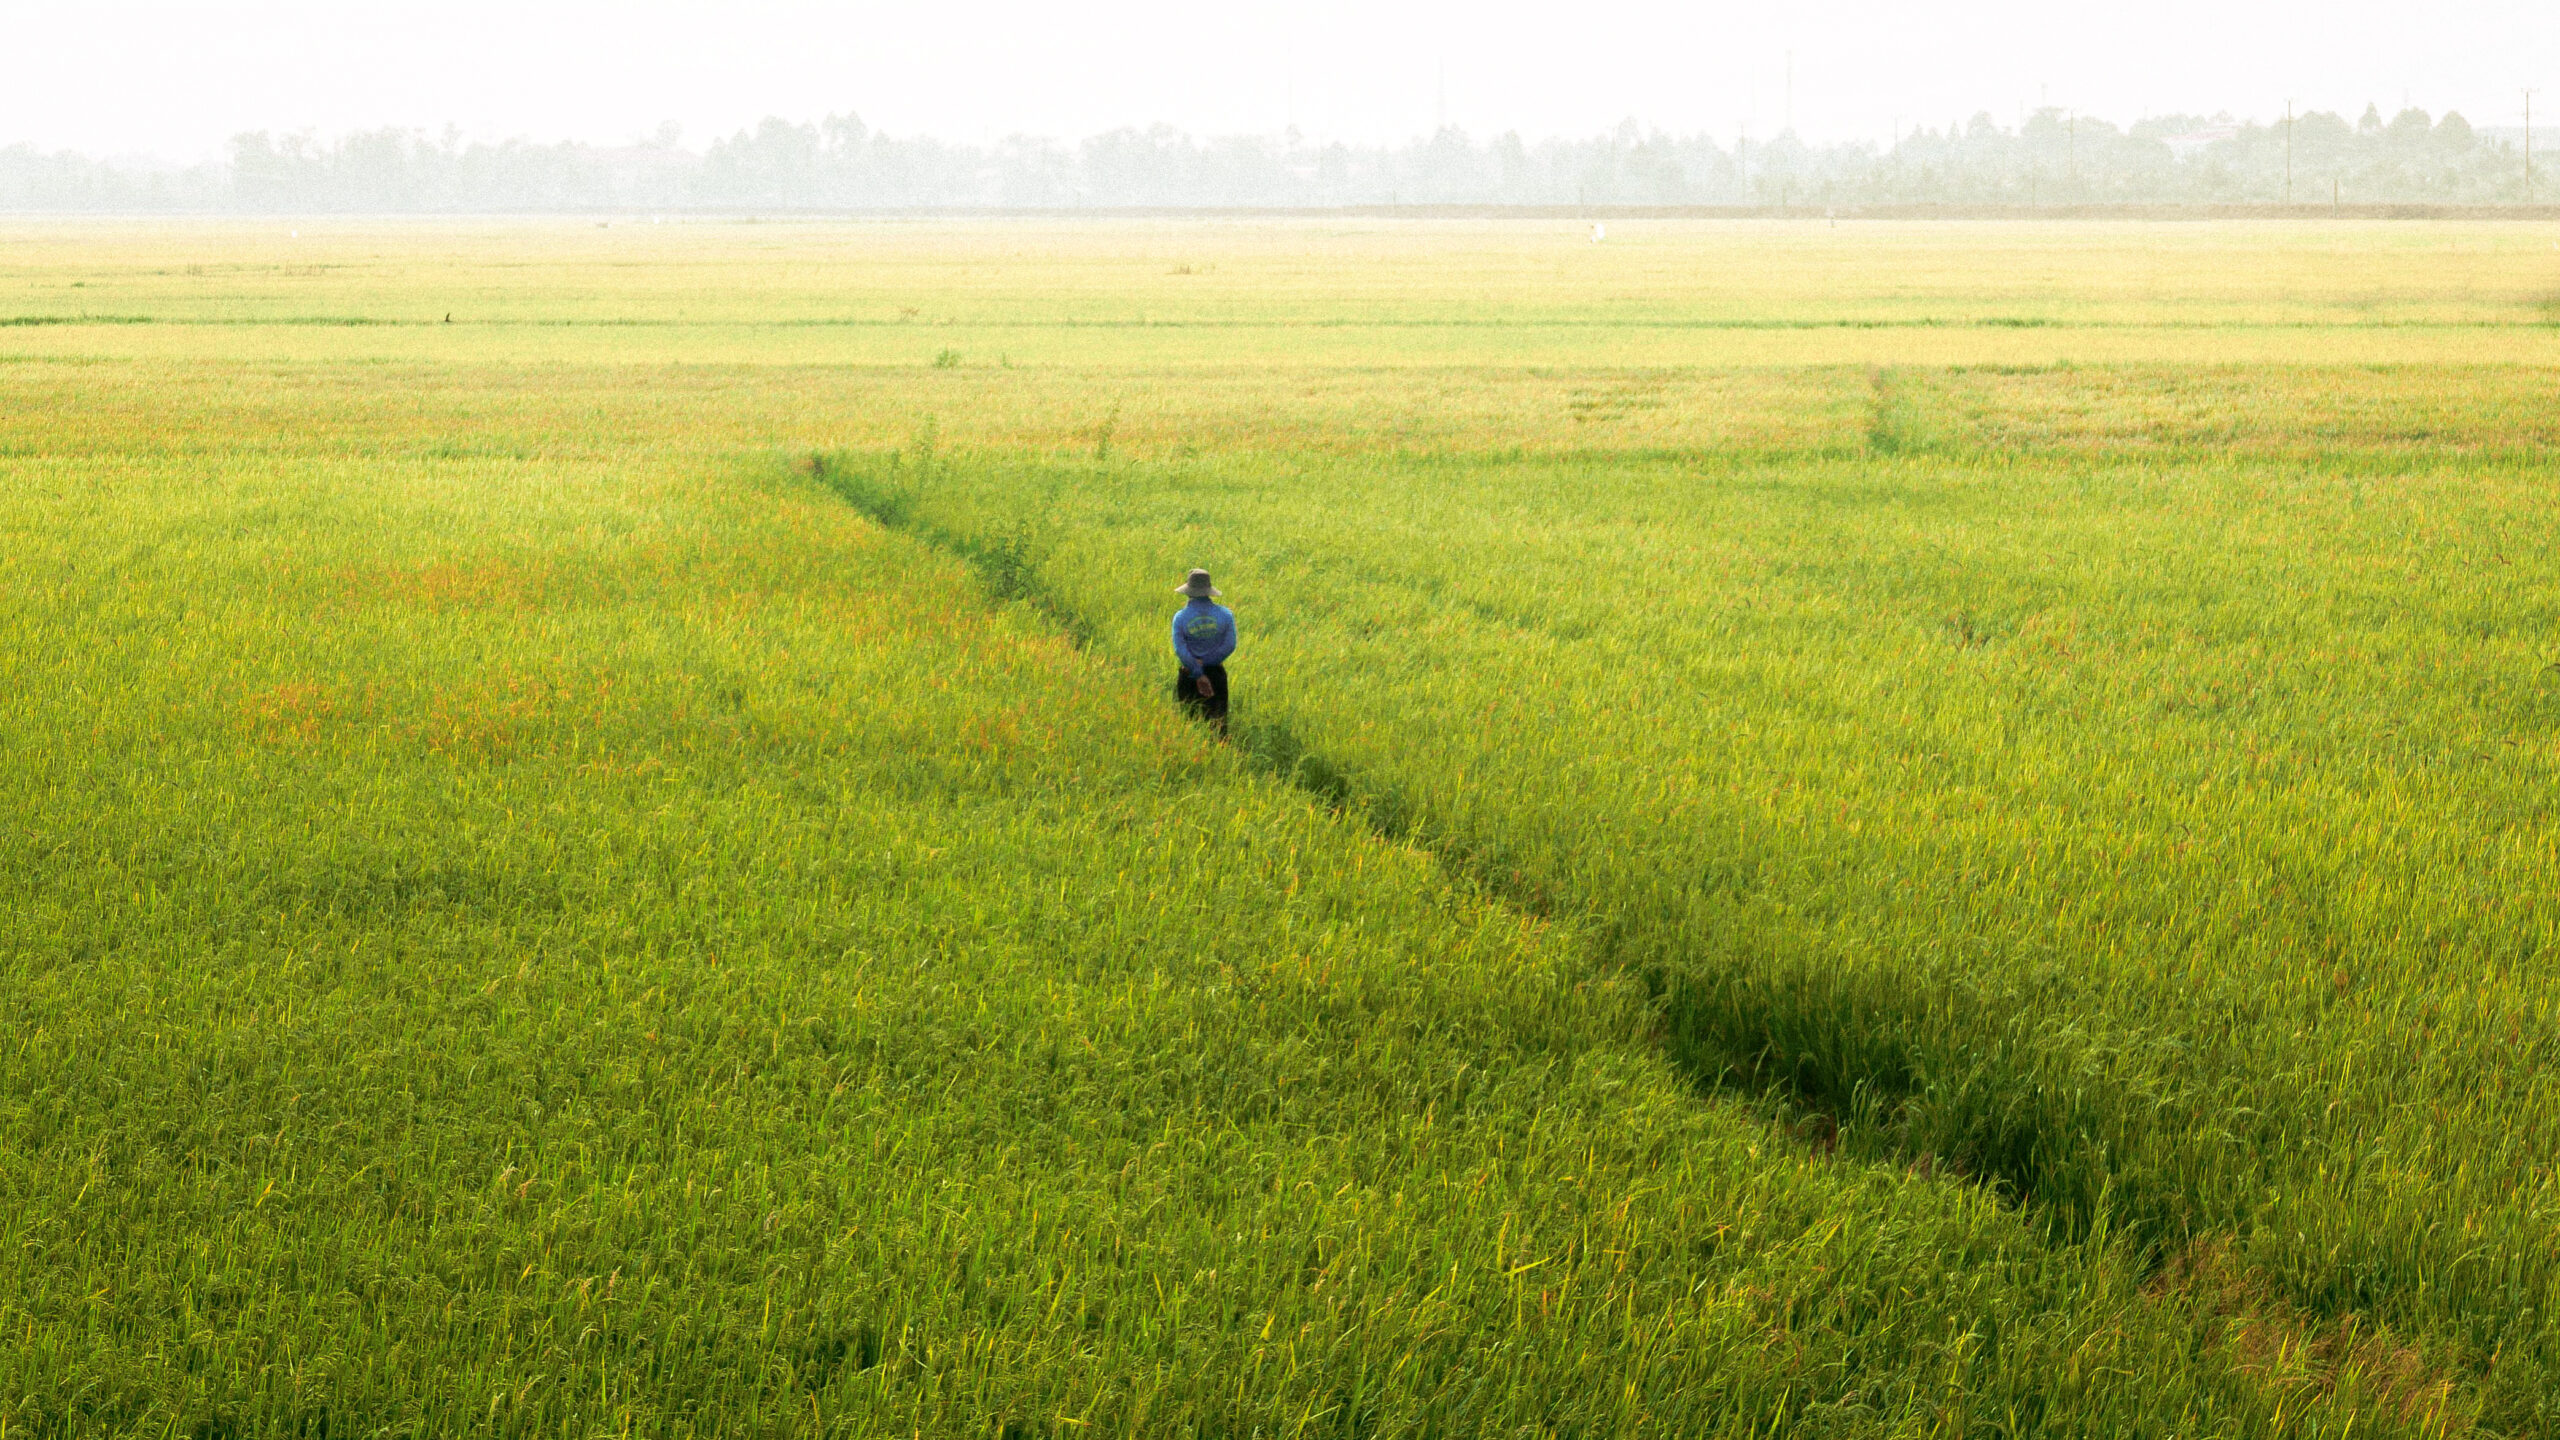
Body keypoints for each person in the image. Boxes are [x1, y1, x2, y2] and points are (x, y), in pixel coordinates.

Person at [1171, 568, 1236, 733]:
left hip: (1189, 675)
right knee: (1218, 726)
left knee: (1188, 728)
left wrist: (1198, 672)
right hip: (1216, 674)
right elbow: (1229, 645)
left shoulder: (1180, 617)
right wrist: (1206, 662)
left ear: (1188, 591)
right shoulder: (1226, 615)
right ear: (1209, 590)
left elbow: (1180, 650)